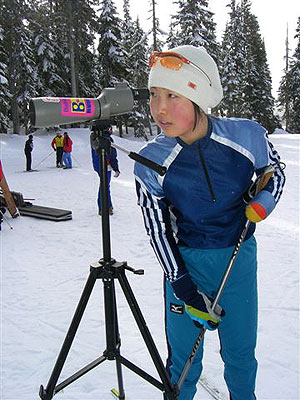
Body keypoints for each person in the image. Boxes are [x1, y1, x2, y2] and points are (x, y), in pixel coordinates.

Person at [133, 45, 286, 400]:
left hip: (238, 260)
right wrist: (184, 287)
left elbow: (274, 172)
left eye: (173, 95)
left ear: (199, 95)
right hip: (186, 264)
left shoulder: (246, 136)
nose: (160, 108)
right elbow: (157, 229)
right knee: (183, 362)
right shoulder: (152, 160)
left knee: (240, 357)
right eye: (154, 95)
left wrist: (262, 204)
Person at [91, 127, 120, 215]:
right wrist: (116, 168)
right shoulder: (107, 139)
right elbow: (112, 154)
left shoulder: (94, 137)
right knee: (105, 186)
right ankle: (103, 207)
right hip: (105, 166)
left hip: (99, 165)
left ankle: (108, 205)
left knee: (105, 186)